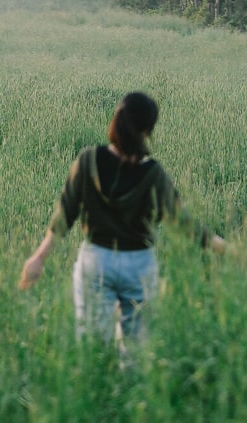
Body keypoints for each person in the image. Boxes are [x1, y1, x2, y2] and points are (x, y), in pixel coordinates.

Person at [19, 89, 225, 349]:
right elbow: (184, 224)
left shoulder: (88, 160)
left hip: (96, 260)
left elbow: (65, 214)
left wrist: (38, 258)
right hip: (138, 265)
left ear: (116, 121)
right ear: (147, 131)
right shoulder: (153, 174)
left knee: (93, 348)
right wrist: (226, 249)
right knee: (136, 357)